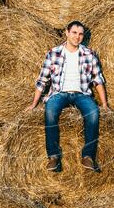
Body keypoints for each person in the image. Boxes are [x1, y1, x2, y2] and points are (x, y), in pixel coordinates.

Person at [27, 20, 109, 173]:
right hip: (59, 93)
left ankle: (88, 156)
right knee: (50, 112)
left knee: (93, 114)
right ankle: (53, 157)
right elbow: (42, 80)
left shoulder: (89, 54)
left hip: (81, 94)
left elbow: (98, 80)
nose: (77, 37)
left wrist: (104, 104)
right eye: (74, 33)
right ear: (66, 32)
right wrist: (33, 104)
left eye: (80, 34)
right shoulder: (53, 53)